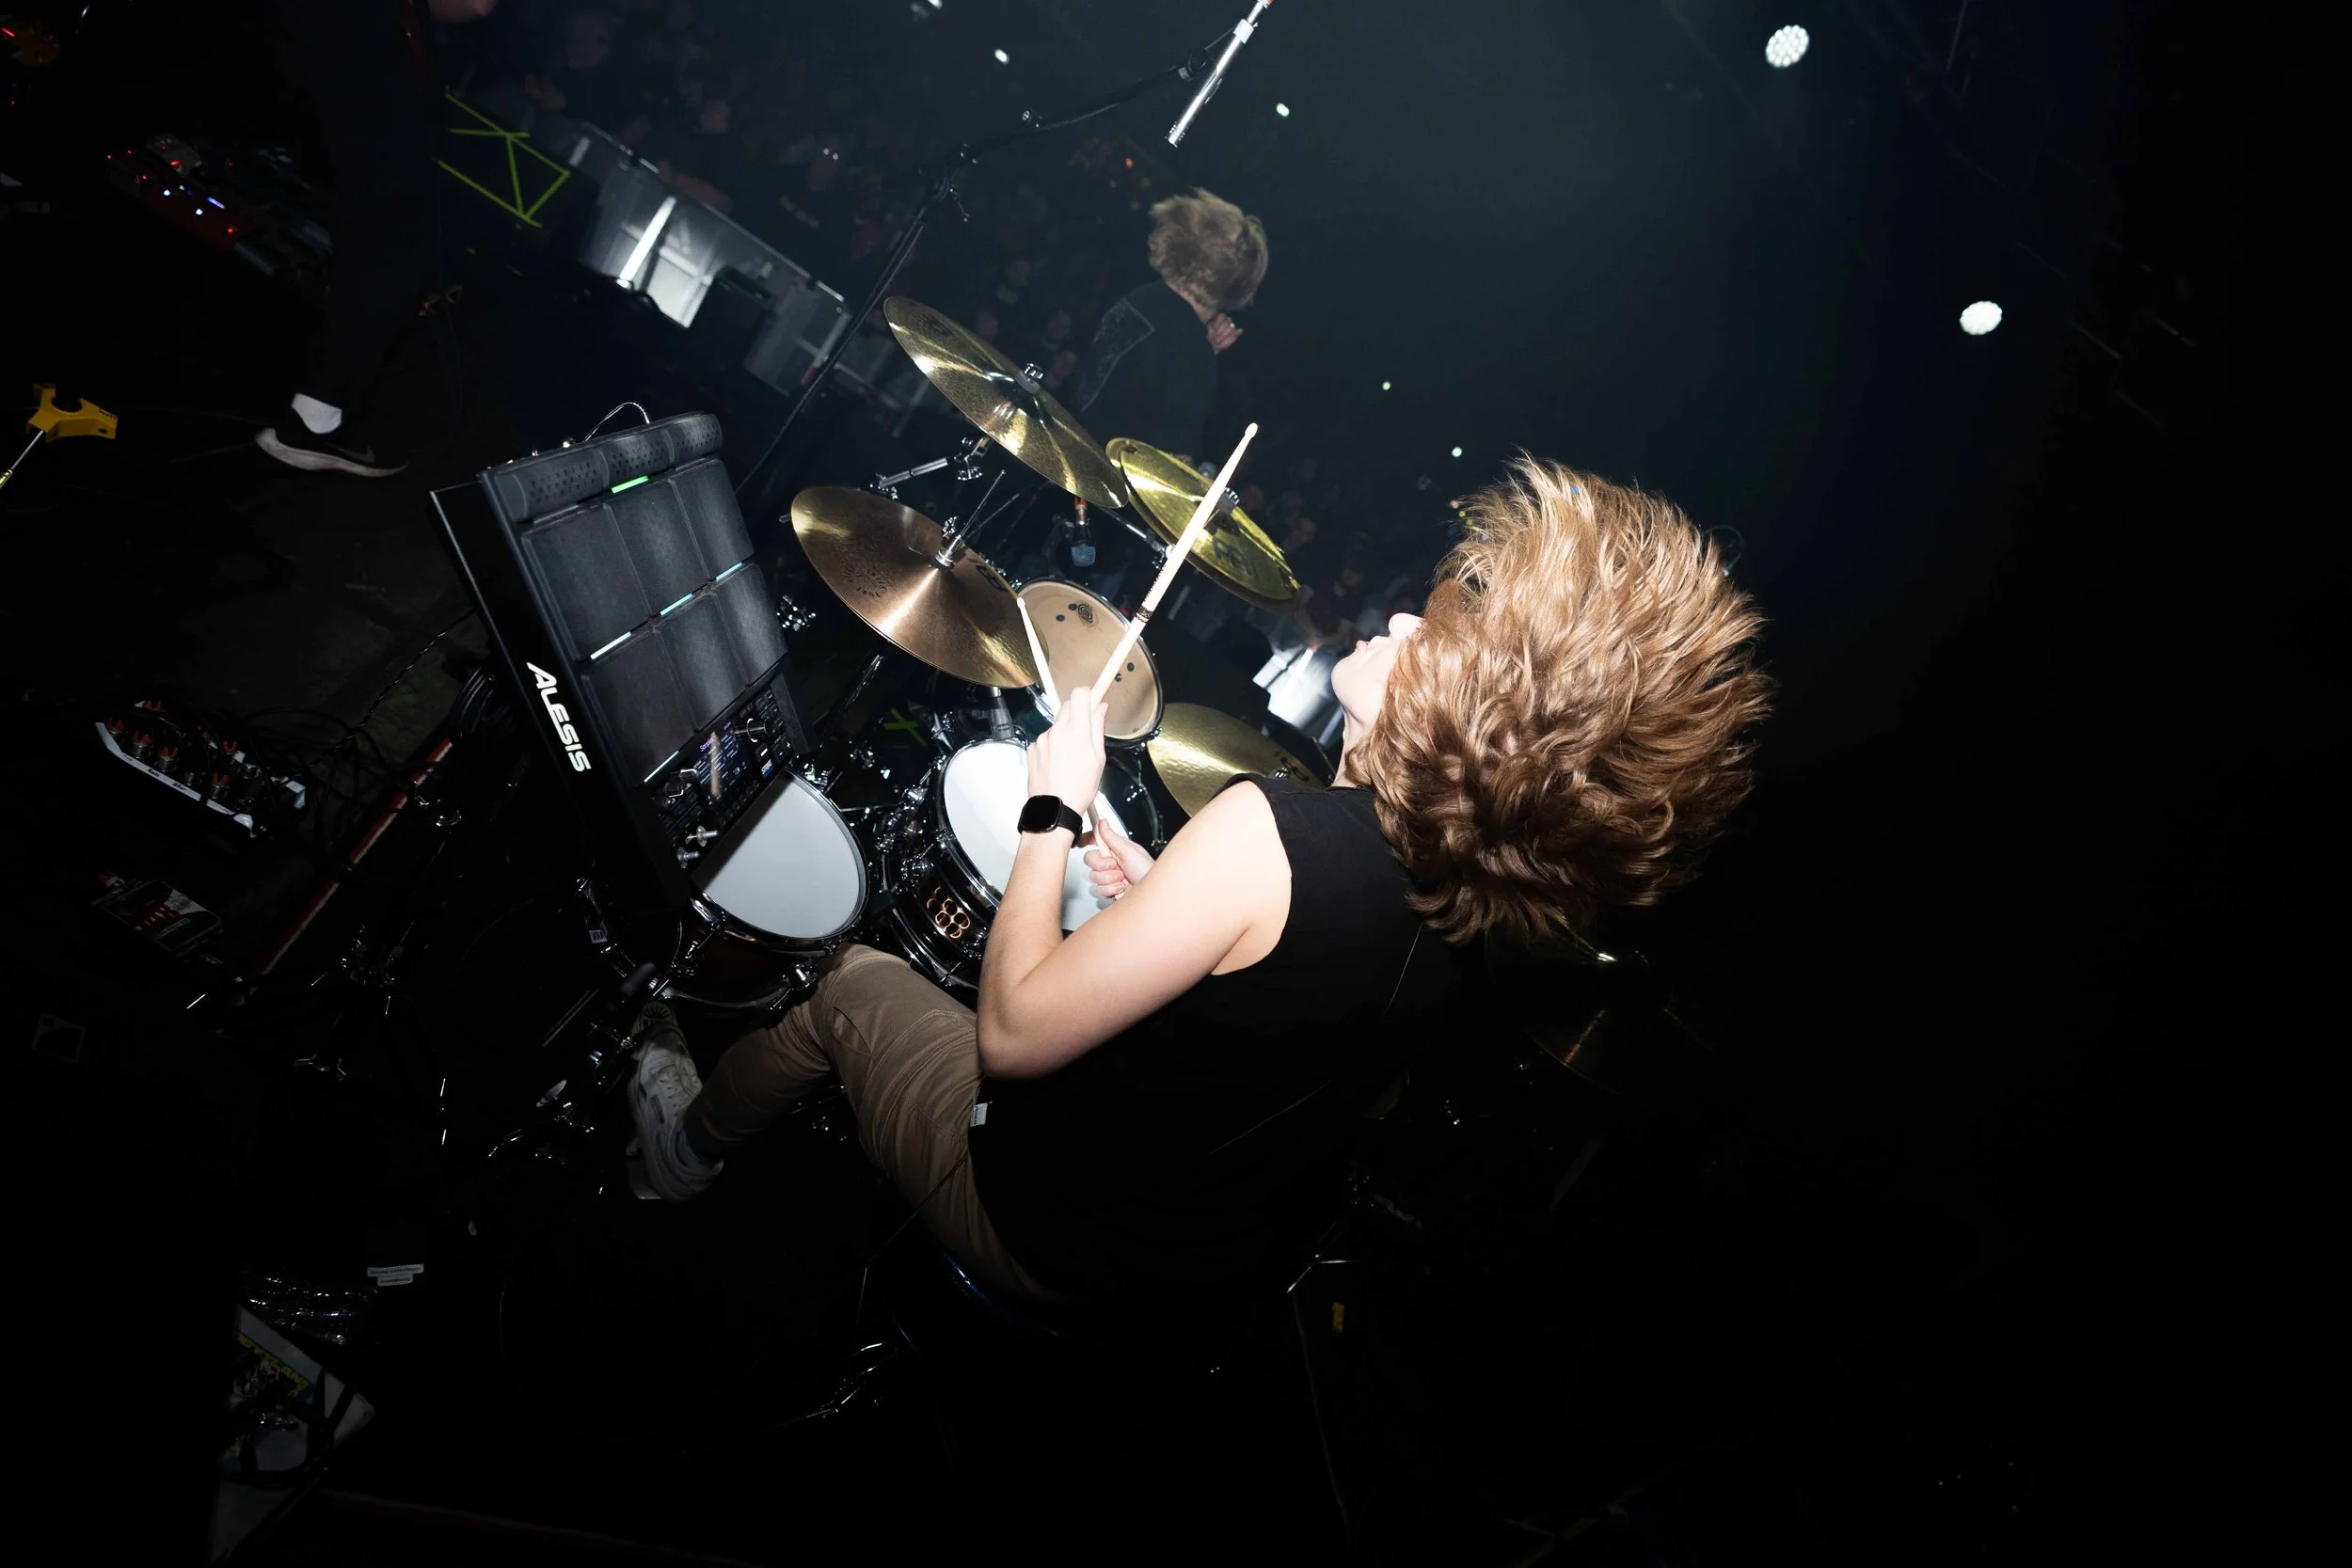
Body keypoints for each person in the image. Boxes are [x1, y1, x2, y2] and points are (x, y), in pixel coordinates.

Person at [626, 459, 1772, 1302]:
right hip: (1184, 1260)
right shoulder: (1452, 913)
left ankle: (681, 1150)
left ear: (1465, 718)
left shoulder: (1270, 830)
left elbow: (1013, 1034)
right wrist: (1149, 897)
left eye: (1437, 637)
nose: (1401, 617)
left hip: (1044, 1226)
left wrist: (1052, 806)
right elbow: (1271, 1016)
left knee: (850, 980)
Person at [255, 0, 501, 478]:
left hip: (308, 59)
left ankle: (312, 402)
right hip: (363, 78)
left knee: (368, 245)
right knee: (394, 251)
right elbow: (476, 4)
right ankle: (315, 419)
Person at [1069, 188, 1266, 463]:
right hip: (1101, 479)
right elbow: (1171, 467)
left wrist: (1203, 349)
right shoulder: (1193, 355)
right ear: (1240, 286)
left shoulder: (1143, 296)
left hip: (1066, 449)